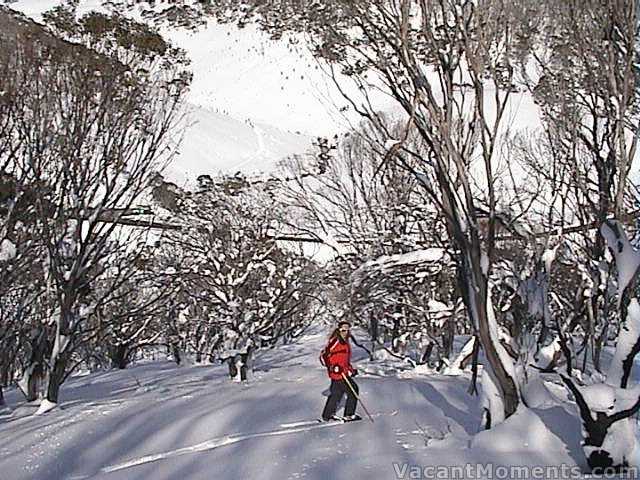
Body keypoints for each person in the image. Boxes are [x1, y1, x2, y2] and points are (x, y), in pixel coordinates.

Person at [319, 320, 362, 422]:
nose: (345, 332)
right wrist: (333, 367)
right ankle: (349, 414)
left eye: (347, 330)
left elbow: (344, 360)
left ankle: (327, 415)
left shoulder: (346, 342)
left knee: (336, 394)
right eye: (343, 329)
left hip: (343, 373)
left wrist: (351, 370)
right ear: (339, 329)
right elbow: (324, 356)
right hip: (338, 374)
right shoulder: (335, 341)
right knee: (353, 390)